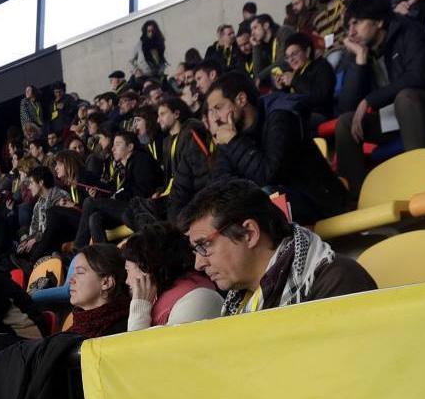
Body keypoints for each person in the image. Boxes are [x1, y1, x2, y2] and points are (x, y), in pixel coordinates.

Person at [179, 179, 375, 315]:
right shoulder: (237, 301)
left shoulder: (338, 281)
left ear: (250, 234)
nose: (199, 263)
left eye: (204, 245)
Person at [204, 70, 348, 226]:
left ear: (241, 99)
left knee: (266, 198)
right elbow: (220, 184)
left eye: (218, 108)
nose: (216, 118)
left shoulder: (280, 117)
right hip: (287, 207)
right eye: (212, 111)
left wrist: (234, 142)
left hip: (321, 203)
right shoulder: (231, 134)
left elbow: (268, 175)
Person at [335, 0, 425, 195]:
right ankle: (355, 199)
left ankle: (422, 187)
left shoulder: (408, 30)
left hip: (424, 108)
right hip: (390, 119)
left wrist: (370, 100)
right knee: (345, 122)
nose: (351, 32)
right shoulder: (360, 50)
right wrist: (359, 59)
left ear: (379, 21)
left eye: (356, 23)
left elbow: (418, 77)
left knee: (405, 98)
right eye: (348, 26)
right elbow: (346, 105)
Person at [121, 224, 221, 331]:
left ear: (145, 267)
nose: (127, 281)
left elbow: (141, 347)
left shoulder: (199, 298)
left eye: (128, 270)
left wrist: (139, 310)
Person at [76, 131, 161, 246]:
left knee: (89, 202)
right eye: (113, 145)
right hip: (127, 207)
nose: (113, 149)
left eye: (118, 144)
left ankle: (78, 248)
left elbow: (143, 191)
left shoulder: (141, 159)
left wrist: (117, 196)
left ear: (130, 147)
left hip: (140, 209)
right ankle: (104, 257)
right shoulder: (124, 167)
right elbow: (116, 191)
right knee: (94, 217)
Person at [154, 96, 212, 220]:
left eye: (162, 114)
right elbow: (170, 176)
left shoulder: (192, 132)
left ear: (176, 114)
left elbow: (202, 171)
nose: (158, 120)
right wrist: (160, 190)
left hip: (189, 196)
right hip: (174, 195)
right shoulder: (167, 142)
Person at [65, 244, 131, 339]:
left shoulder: (119, 332)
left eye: (80, 272)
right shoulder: (79, 327)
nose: (71, 280)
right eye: (73, 273)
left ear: (106, 282)